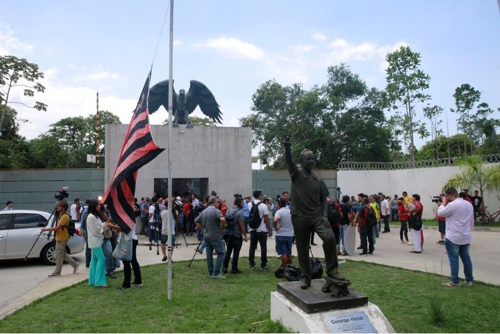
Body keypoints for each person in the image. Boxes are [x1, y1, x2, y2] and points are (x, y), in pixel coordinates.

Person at [284, 137, 350, 295]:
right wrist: (287, 147)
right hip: (299, 217)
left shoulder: (318, 180)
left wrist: (325, 216)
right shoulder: (296, 175)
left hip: (316, 217)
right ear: (302, 161)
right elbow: (290, 163)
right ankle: (305, 277)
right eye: (308, 159)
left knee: (330, 238)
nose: (311, 161)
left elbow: (324, 200)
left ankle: (332, 271)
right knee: (302, 247)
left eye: (313, 159)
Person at [438, 188, 474, 287]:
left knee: (453, 259)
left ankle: (455, 281)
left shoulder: (453, 205)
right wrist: (467, 231)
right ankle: (469, 280)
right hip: (465, 236)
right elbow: (471, 221)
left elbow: (440, 213)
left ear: (449, 195)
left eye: (446, 197)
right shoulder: (468, 204)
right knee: (466, 258)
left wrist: (443, 203)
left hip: (453, 237)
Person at [40, 200, 80, 277]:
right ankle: (75, 264)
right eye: (57, 206)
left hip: (62, 237)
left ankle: (57, 272)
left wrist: (45, 229)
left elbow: (58, 227)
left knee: (58, 255)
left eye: (59, 206)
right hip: (59, 237)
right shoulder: (61, 214)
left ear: (63, 207)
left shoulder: (65, 216)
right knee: (61, 254)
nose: (57, 207)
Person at [195, 196, 227, 279]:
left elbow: (196, 221)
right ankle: (216, 273)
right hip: (215, 235)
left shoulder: (204, 211)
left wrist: (203, 229)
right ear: (214, 202)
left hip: (207, 235)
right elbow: (223, 220)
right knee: (222, 253)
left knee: (209, 255)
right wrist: (222, 227)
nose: (219, 203)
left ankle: (211, 271)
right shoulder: (216, 211)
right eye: (218, 202)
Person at [85, 199, 109, 288]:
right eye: (98, 204)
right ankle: (99, 282)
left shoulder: (95, 216)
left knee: (94, 260)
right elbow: (96, 231)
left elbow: (99, 227)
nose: (100, 206)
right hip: (95, 242)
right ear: (94, 206)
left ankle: (93, 280)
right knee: (101, 259)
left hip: (96, 241)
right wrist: (104, 227)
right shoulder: (91, 217)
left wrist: (105, 224)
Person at [223, 197, 247, 274]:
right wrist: (245, 235)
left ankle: (225, 267)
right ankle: (234, 268)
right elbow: (241, 224)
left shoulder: (229, 210)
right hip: (236, 234)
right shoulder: (240, 212)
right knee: (236, 252)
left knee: (228, 251)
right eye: (242, 203)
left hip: (228, 234)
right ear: (238, 203)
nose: (243, 204)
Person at [247, 189, 270, 270]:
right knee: (263, 246)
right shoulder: (263, 206)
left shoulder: (249, 204)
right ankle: (263, 264)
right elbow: (266, 218)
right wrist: (268, 228)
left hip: (252, 229)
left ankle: (251, 263)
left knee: (252, 246)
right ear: (259, 195)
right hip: (262, 229)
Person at [274, 197, 293, 270]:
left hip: (281, 234)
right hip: (289, 234)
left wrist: (276, 228)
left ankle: (285, 269)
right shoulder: (289, 211)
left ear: (279, 204)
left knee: (283, 253)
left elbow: (275, 220)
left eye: (277, 203)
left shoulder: (279, 212)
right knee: (289, 253)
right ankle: (290, 267)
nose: (276, 205)